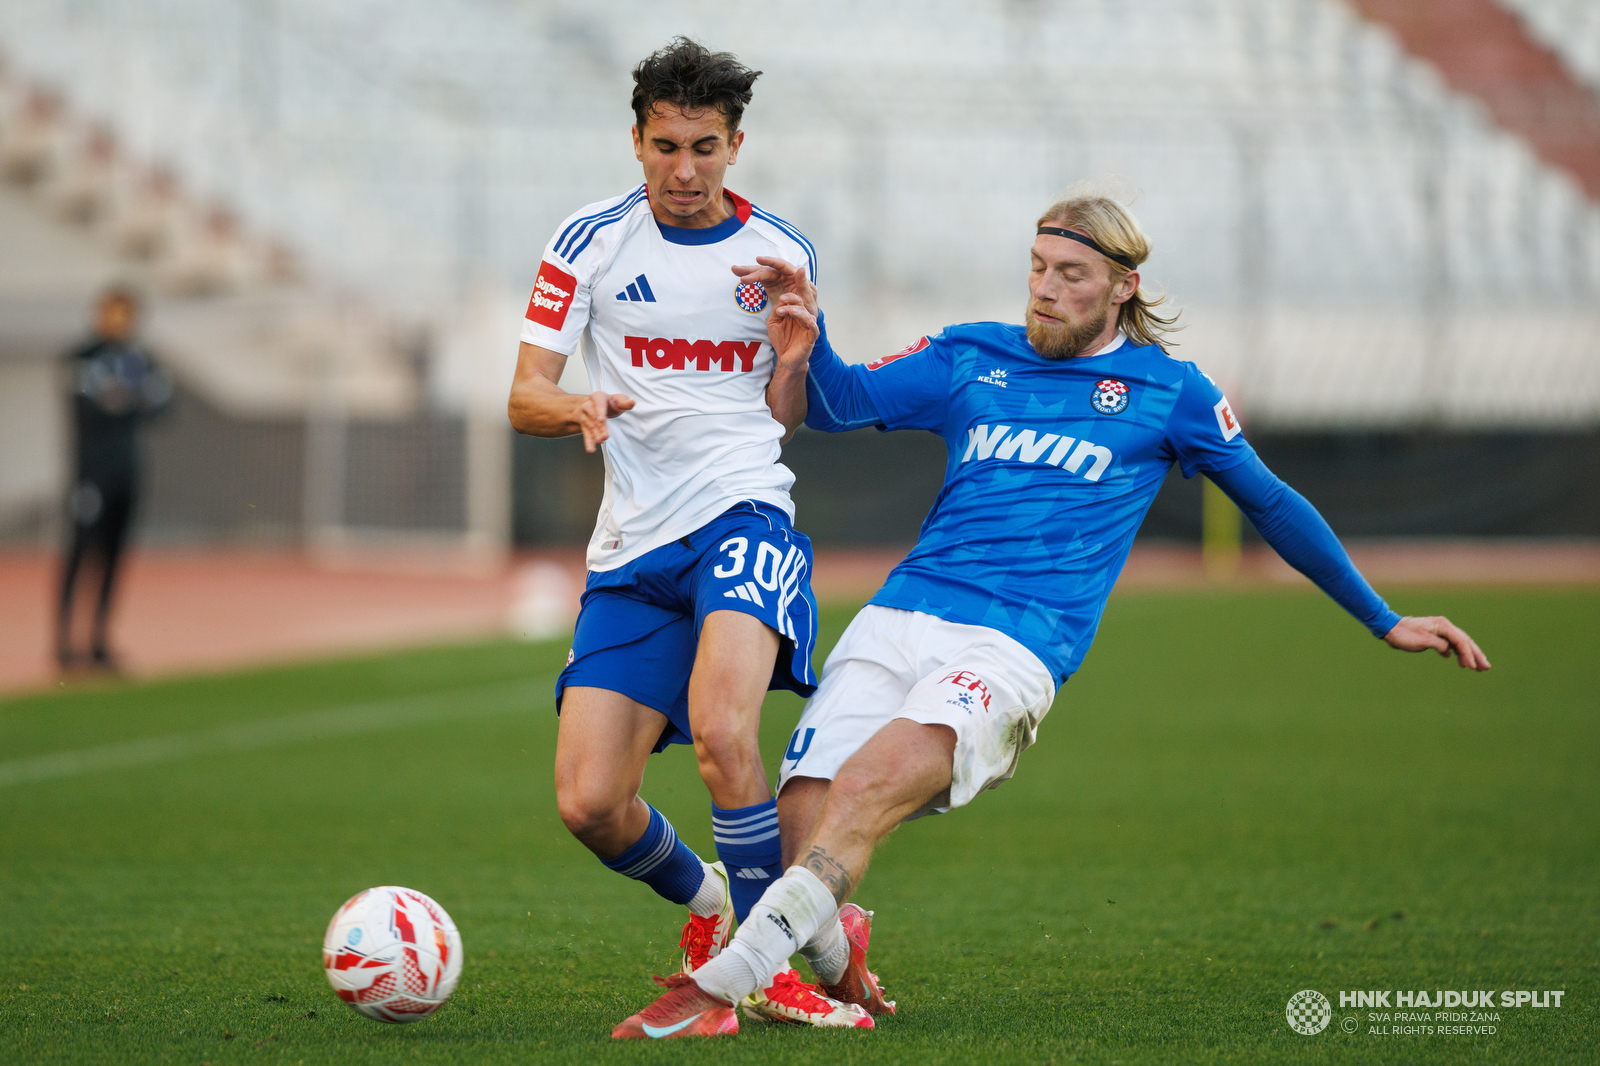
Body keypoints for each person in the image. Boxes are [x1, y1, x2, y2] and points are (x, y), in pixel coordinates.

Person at [613, 190, 1491, 1038]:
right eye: (1037, 267)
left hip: (1015, 644)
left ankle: (717, 984)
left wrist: (1383, 619)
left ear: (1123, 288)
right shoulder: (973, 356)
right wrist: (808, 340)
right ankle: (837, 957)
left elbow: (1271, 502)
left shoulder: (1170, 392)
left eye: (1071, 274)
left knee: (867, 790)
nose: (1044, 287)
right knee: (806, 828)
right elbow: (844, 405)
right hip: (900, 616)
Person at [505, 38, 869, 1029]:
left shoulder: (780, 251)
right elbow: (522, 393)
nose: (683, 169)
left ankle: (767, 964)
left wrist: (794, 356)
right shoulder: (586, 242)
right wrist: (573, 405)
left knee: (720, 729)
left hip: (744, 516)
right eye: (664, 145)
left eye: (704, 147)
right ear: (634, 140)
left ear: (735, 144)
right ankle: (718, 906)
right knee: (587, 802)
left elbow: (787, 410)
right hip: (631, 548)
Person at [56, 286, 171, 671]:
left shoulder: (137, 357)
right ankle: (63, 640)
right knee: (78, 553)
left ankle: (99, 638)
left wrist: (122, 399)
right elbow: (92, 407)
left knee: (114, 556)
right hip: (90, 472)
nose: (119, 321)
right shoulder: (83, 357)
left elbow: (162, 406)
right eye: (112, 312)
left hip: (128, 470)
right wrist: (130, 400)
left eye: (126, 313)